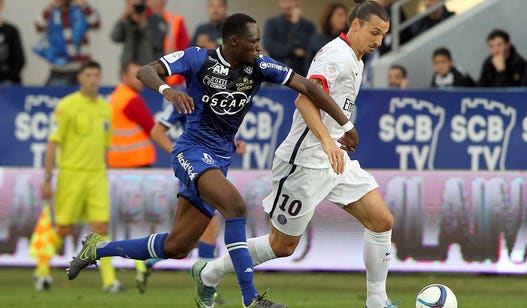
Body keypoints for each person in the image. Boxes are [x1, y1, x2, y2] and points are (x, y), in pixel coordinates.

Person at [66, 12, 358, 308]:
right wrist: (168, 90)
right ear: (234, 41)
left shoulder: (259, 66)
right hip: (191, 151)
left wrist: (345, 125)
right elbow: (145, 71)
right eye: (254, 42)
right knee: (235, 205)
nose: (259, 48)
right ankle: (251, 299)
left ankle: (97, 249)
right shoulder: (197, 59)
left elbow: (309, 87)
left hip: (219, 160)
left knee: (177, 246)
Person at [192, 2, 397, 308]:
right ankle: (209, 272)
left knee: (381, 220)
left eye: (383, 34)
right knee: (282, 245)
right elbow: (304, 100)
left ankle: (377, 301)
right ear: (355, 26)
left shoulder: (356, 58)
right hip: (302, 163)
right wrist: (328, 140)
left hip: (334, 160)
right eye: (374, 32)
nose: (378, 41)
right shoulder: (335, 58)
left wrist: (336, 138)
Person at [134, 102, 247, 299]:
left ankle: (149, 261)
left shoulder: (216, 94)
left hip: (212, 167)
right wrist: (183, 156)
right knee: (209, 227)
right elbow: (157, 132)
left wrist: (234, 143)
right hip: (196, 169)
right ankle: (207, 284)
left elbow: (215, 131)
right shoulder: (183, 99)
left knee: (192, 237)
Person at [38, 60, 122, 292]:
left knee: (101, 227)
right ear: (80, 78)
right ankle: (42, 271)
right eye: (88, 75)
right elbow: (53, 143)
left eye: (96, 75)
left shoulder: (106, 108)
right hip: (71, 175)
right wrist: (47, 178)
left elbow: (105, 147)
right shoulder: (66, 106)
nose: (93, 79)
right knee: (63, 229)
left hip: (96, 176)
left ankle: (109, 281)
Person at [34, 0, 100, 85]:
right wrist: (51, 6)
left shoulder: (80, 9)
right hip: (59, 67)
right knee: (55, 94)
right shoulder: (52, 11)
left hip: (80, 65)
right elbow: (39, 27)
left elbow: (96, 24)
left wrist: (84, 5)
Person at [107, 61, 156, 168]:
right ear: (124, 76)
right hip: (136, 161)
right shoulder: (131, 100)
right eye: (135, 76)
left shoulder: (116, 96)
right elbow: (152, 128)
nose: (140, 80)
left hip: (117, 160)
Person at [263, 0, 316, 75]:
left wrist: (296, 24)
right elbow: (269, 45)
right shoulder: (272, 23)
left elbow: (310, 51)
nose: (287, 5)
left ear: (298, 2)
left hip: (301, 74)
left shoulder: (309, 26)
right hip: (276, 73)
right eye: (284, 2)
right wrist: (293, 51)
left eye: (290, 1)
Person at [111, 0, 167, 69]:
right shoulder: (127, 20)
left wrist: (143, 24)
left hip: (151, 69)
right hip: (129, 70)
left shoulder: (156, 20)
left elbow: (157, 42)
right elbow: (115, 37)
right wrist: (123, 17)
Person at [146, 0, 190, 87]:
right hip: (145, 78)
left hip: (171, 80)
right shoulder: (141, 21)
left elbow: (185, 52)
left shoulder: (175, 21)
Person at [304, 2, 348, 73]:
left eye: (345, 15)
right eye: (340, 15)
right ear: (329, 17)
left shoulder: (349, 40)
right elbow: (308, 66)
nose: (344, 19)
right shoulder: (316, 40)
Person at [0, 0, 25, 84]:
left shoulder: (11, 30)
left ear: (1, 6)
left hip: (8, 81)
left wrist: (10, 78)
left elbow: (19, 59)